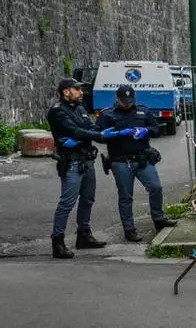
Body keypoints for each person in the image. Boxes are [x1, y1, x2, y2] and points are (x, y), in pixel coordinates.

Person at [47, 78, 133, 259]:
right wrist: (98, 134)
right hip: (71, 162)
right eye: (77, 89)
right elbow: (76, 131)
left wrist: (109, 132)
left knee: (88, 199)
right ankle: (58, 241)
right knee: (67, 202)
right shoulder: (58, 111)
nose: (81, 92)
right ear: (66, 92)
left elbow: (90, 127)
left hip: (86, 159)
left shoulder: (80, 108)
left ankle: (84, 235)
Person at [97, 85, 177, 242]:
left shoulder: (143, 111)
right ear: (117, 99)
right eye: (124, 101)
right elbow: (98, 135)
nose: (127, 103)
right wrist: (115, 134)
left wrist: (146, 130)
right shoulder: (108, 114)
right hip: (120, 161)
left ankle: (159, 219)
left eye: (130, 100)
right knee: (126, 196)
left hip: (142, 158)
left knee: (155, 187)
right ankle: (129, 229)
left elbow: (156, 129)